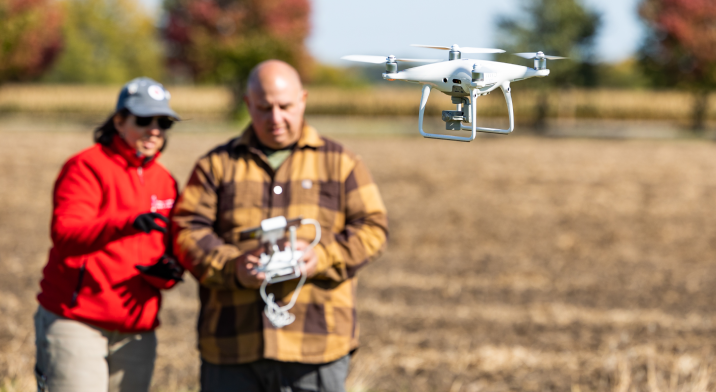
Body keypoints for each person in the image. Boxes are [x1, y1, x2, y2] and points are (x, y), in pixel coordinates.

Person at [173, 60, 389, 392]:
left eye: (285, 106)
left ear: (303, 99)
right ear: (247, 104)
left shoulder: (341, 162)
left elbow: (373, 228)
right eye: (264, 108)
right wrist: (233, 267)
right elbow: (186, 229)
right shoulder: (216, 165)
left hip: (317, 344)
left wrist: (323, 256)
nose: (276, 119)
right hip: (233, 346)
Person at [34, 77, 184, 392]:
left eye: (164, 122)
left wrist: (166, 274)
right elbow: (66, 233)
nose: (154, 129)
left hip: (137, 329)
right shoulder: (86, 167)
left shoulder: (166, 181)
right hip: (76, 321)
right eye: (144, 120)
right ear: (119, 121)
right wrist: (126, 223)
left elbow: (166, 250)